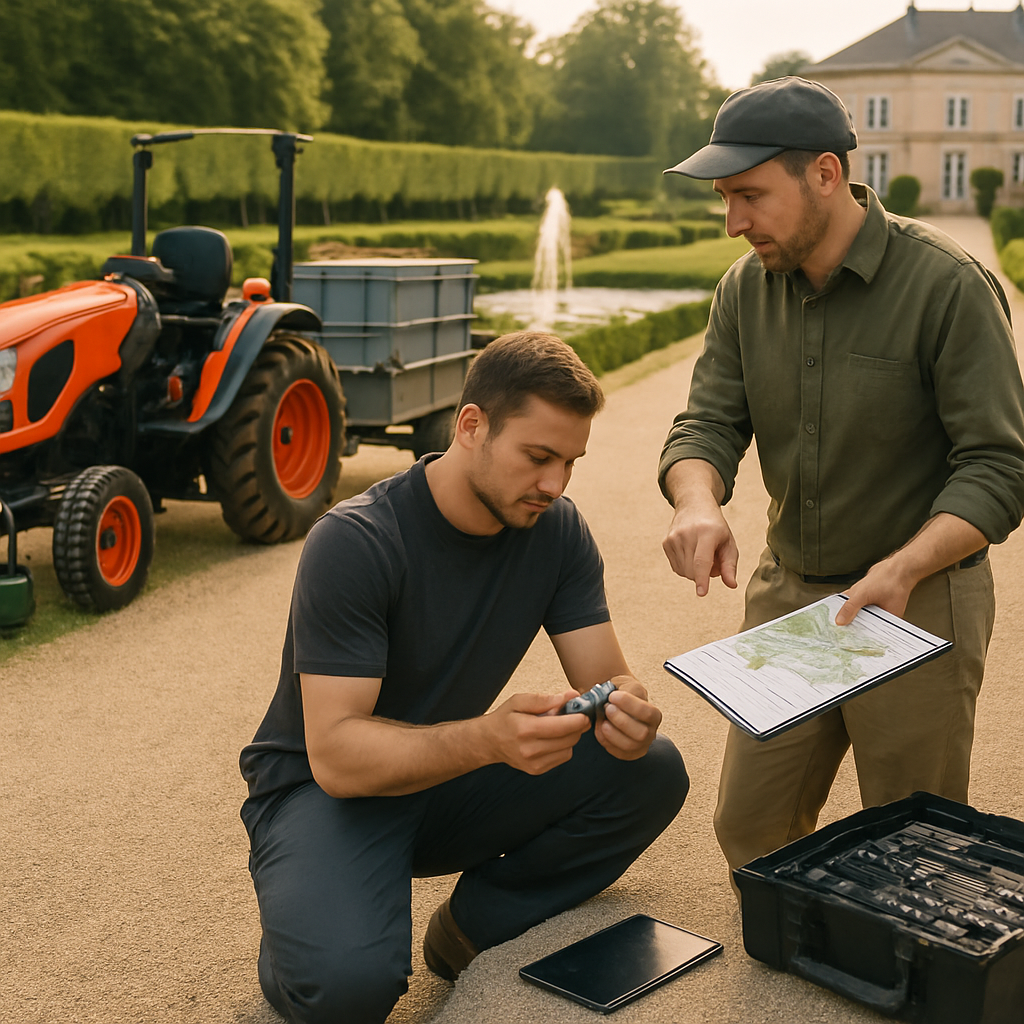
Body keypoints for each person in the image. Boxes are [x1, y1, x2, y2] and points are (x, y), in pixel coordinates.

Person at [239, 331, 689, 1024]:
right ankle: (303, 935)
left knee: (652, 769)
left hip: (447, 779)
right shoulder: (357, 542)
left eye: (569, 462)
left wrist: (627, 711)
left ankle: (471, 928)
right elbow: (335, 755)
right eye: (537, 457)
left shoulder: (556, 530)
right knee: (346, 990)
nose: (554, 484)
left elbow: (611, 678)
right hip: (324, 791)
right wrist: (488, 739)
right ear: (471, 426)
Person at [658, 76, 1024, 879]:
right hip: (791, 595)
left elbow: (998, 467)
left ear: (825, 173)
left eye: (750, 195)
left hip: (918, 597)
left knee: (913, 850)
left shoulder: (948, 286)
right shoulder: (743, 289)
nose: (734, 222)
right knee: (750, 832)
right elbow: (706, 425)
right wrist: (697, 503)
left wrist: (904, 567)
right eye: (725, 198)